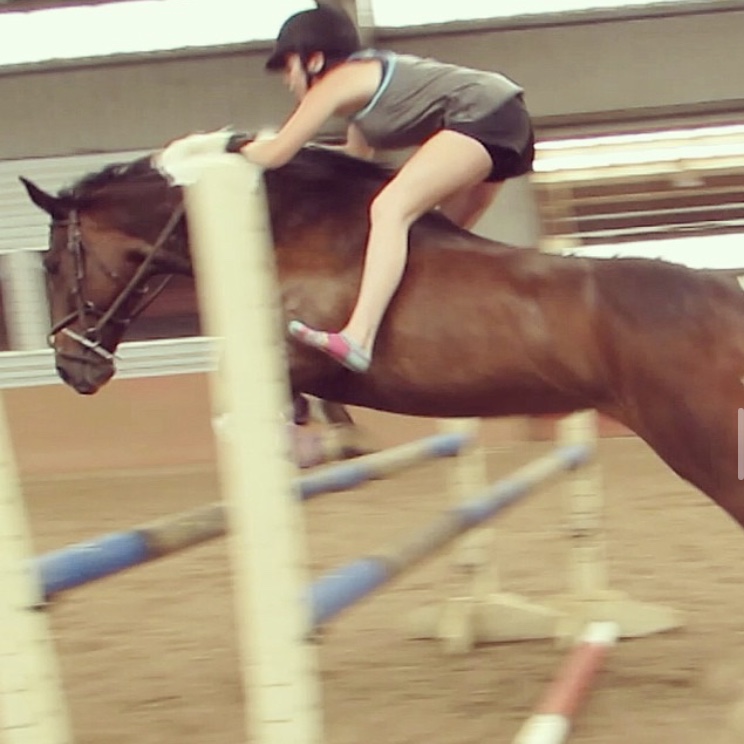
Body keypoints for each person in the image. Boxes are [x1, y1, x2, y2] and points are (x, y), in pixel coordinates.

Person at [234, 6, 535, 373]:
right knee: (432, 237)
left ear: (313, 60)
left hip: (486, 116)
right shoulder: (360, 93)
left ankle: (359, 336)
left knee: (389, 209)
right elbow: (355, 156)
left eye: (287, 66)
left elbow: (277, 152)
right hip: (504, 122)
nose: (285, 79)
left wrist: (228, 149)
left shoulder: (338, 81)